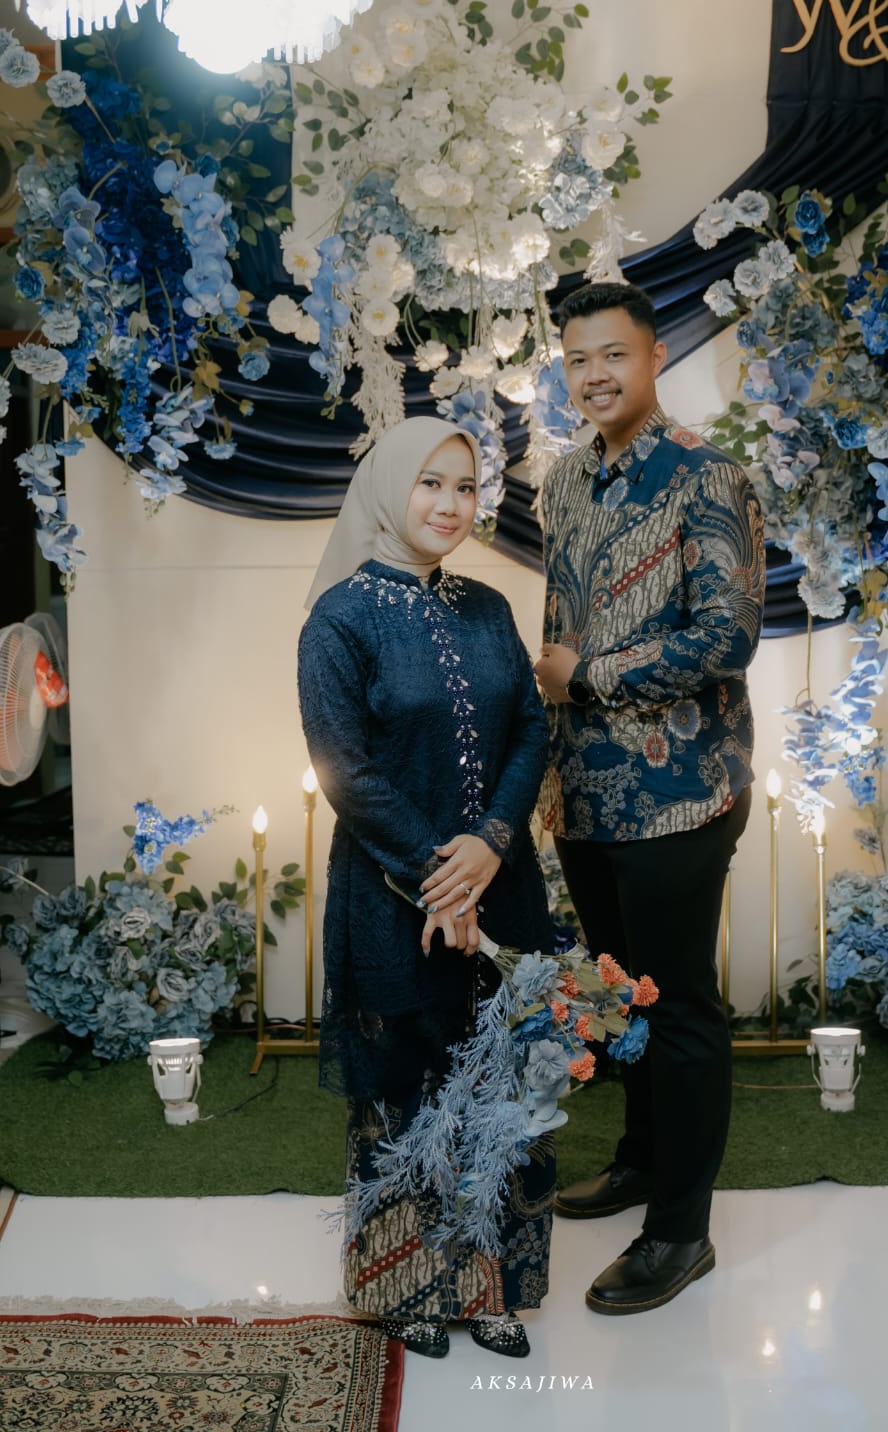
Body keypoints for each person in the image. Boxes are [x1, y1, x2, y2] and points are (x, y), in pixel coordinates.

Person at [298, 417, 555, 1361]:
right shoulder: (340, 619)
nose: (450, 505)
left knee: (500, 1082)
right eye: (430, 483)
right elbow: (344, 768)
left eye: (466, 486)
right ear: (388, 489)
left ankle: (493, 1285)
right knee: (404, 1086)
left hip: (503, 886)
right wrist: (442, 882)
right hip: (390, 895)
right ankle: (407, 1284)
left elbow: (530, 729)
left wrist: (491, 844)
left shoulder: (488, 607)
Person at [534, 280, 765, 1316]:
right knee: (617, 991)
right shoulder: (563, 480)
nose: (594, 375)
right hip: (587, 792)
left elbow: (728, 634)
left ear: (654, 357)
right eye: (577, 359)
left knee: (676, 1007)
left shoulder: (709, 476)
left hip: (680, 792)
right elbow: (561, 625)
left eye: (612, 355)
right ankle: (639, 1156)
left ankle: (680, 1230)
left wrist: (587, 678)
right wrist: (551, 745)